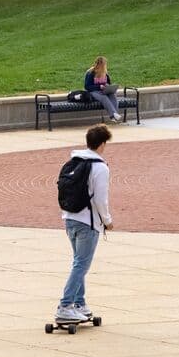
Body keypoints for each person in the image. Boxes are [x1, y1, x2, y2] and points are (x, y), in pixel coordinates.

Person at [55, 124, 113, 322]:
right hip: (88, 223)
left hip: (70, 218)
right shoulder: (100, 167)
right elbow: (100, 199)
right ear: (102, 144)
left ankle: (79, 303)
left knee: (78, 262)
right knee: (81, 265)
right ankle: (65, 305)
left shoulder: (75, 161)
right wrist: (108, 221)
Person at [85, 55, 122, 123]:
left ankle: (114, 116)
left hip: (104, 90)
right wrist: (99, 87)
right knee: (104, 98)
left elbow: (108, 83)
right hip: (94, 92)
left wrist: (108, 87)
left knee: (112, 95)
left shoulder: (105, 73)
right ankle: (113, 115)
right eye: (103, 65)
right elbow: (87, 87)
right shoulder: (90, 73)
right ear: (99, 64)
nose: (104, 66)